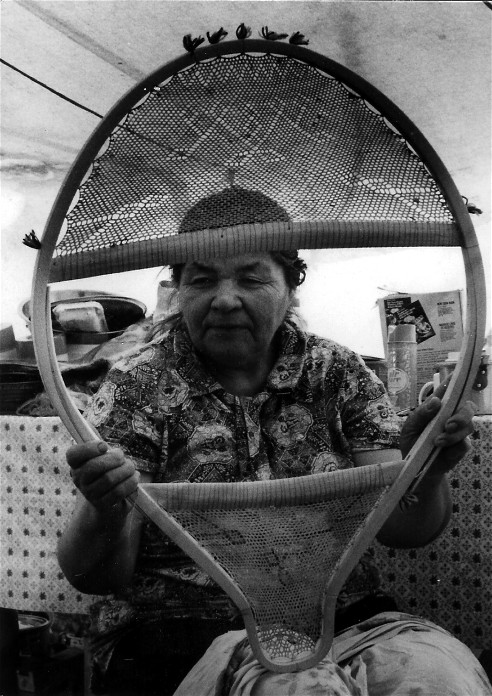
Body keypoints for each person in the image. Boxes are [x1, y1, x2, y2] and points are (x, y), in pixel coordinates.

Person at [58, 188, 491, 696]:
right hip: (181, 635)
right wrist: (104, 507)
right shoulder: (139, 384)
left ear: (291, 285)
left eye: (251, 276)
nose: (224, 298)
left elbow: (403, 530)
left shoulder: (337, 373)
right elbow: (93, 575)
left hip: (346, 619)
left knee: (441, 681)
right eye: (201, 279)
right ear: (178, 290)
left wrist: (426, 469)